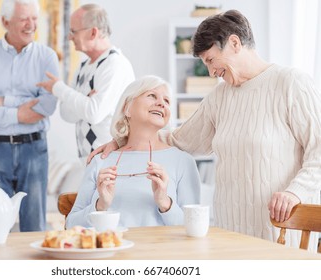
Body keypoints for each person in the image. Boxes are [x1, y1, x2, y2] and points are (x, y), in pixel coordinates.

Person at [89, 10, 321, 250]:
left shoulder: (291, 83)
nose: (211, 72)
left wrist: (295, 192)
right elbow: (179, 140)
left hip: (281, 227)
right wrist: (123, 140)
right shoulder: (219, 97)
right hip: (230, 232)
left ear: (234, 43)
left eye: (210, 60)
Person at [0, 0, 59, 232]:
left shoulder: (47, 57)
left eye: (34, 19)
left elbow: (46, 107)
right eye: (23, 19)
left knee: (34, 225)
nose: (31, 25)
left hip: (34, 149)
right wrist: (22, 112)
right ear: (5, 22)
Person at [66, 75, 201, 229]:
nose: (161, 104)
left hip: (160, 252)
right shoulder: (101, 160)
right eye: (152, 95)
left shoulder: (183, 161)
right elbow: (71, 224)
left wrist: (165, 203)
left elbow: (194, 227)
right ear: (127, 108)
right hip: (110, 250)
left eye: (167, 101)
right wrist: (100, 206)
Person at [37, 3, 135, 162]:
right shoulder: (84, 66)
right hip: (91, 160)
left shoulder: (115, 65)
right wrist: (85, 99)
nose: (69, 37)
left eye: (73, 31)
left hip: (112, 159)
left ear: (93, 32)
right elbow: (66, 113)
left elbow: (94, 114)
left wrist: (58, 88)